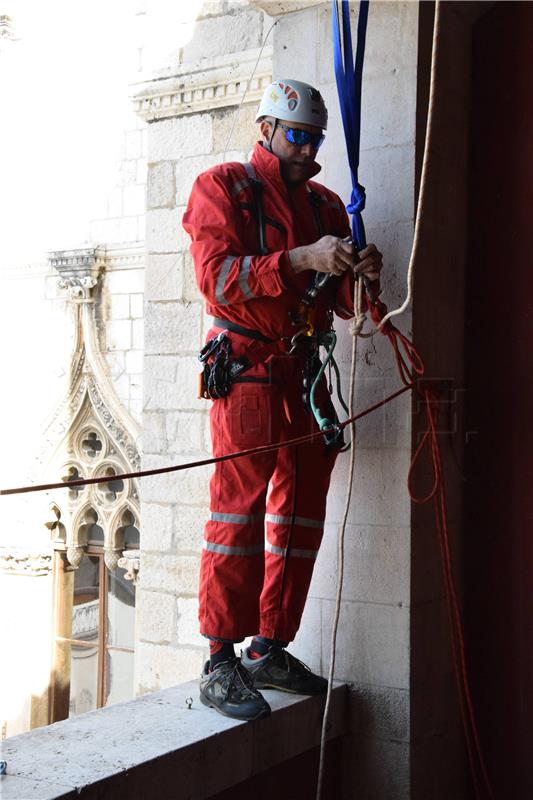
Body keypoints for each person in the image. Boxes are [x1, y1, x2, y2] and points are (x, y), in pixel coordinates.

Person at [182, 78, 383, 721]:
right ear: (267, 129)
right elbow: (218, 279)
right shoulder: (224, 189)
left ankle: (270, 645)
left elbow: (350, 310)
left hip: (304, 376)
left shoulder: (327, 206)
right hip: (246, 372)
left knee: (301, 518)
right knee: (237, 517)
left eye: (315, 139)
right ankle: (220, 657)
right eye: (297, 136)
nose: (307, 148)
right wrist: (300, 257)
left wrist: (361, 278)